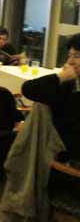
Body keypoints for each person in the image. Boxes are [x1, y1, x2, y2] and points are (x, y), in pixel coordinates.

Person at [21, 33, 80, 161]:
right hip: (62, 149)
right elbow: (28, 89)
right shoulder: (68, 84)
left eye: (76, 56)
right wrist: (60, 77)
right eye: (69, 56)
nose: (70, 62)